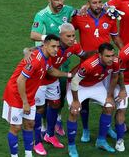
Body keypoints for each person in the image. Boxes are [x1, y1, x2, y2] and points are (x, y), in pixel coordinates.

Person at [2, 35, 72, 157]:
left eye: (57, 47)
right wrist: (25, 103)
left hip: (28, 96)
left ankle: (28, 154)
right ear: (45, 45)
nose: (56, 49)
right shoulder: (35, 60)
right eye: (53, 46)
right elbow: (20, 81)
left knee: (30, 124)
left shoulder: (47, 57)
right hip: (15, 95)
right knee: (16, 127)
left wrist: (68, 75)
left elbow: (51, 70)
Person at [32, 23, 94, 155]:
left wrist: (97, 55)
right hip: (39, 81)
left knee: (55, 105)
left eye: (73, 35)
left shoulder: (74, 46)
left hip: (53, 81)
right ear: (60, 37)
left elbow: (84, 56)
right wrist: (26, 52)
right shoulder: (53, 45)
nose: (72, 39)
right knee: (39, 109)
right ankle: (37, 142)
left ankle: (50, 134)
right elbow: (31, 50)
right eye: (68, 36)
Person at [72, 0, 123, 142]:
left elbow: (115, 37)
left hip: (106, 66)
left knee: (110, 98)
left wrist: (122, 51)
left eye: (100, 2)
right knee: (85, 100)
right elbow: (68, 32)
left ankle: (107, 128)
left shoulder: (110, 17)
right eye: (94, 3)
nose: (98, 5)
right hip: (87, 64)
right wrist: (77, 50)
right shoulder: (79, 17)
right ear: (88, 3)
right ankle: (86, 130)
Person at [30, 0, 77, 136]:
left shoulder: (68, 10)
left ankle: (57, 118)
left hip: (62, 60)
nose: (59, 2)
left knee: (60, 94)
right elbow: (33, 34)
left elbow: (80, 12)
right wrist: (49, 39)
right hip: (46, 62)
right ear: (49, 0)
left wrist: (86, 7)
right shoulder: (42, 15)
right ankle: (43, 123)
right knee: (42, 99)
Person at [66, 43, 120, 156]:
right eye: (107, 56)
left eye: (112, 55)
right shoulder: (89, 64)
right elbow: (75, 81)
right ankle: (71, 146)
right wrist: (75, 101)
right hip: (79, 86)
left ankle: (101, 141)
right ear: (99, 55)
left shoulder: (115, 61)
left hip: (95, 85)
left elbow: (115, 77)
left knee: (109, 107)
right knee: (74, 111)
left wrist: (110, 96)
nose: (111, 59)